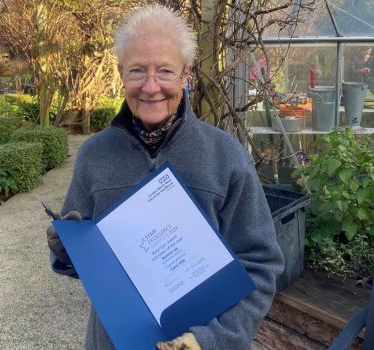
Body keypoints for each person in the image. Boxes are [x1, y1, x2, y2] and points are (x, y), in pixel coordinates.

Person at [47, 4, 284, 350]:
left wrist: (213, 340)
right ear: (121, 73)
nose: (151, 86)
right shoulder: (94, 155)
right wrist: (68, 250)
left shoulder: (225, 156)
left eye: (166, 71)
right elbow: (83, 264)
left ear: (187, 74)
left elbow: (261, 265)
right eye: (138, 71)